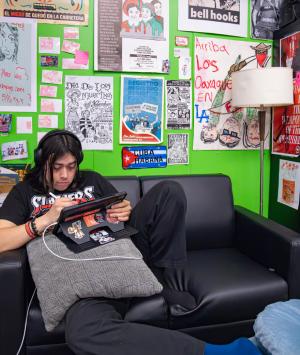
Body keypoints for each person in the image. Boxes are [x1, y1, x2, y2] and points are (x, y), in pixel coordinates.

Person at [0, 129, 262, 355]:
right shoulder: (25, 192)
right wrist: (44, 220)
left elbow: (123, 211)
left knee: (169, 191)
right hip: (83, 277)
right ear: (41, 162)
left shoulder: (91, 179)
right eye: (56, 168)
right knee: (82, 333)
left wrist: (124, 209)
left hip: (123, 255)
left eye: (71, 166)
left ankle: (164, 283)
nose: (65, 175)